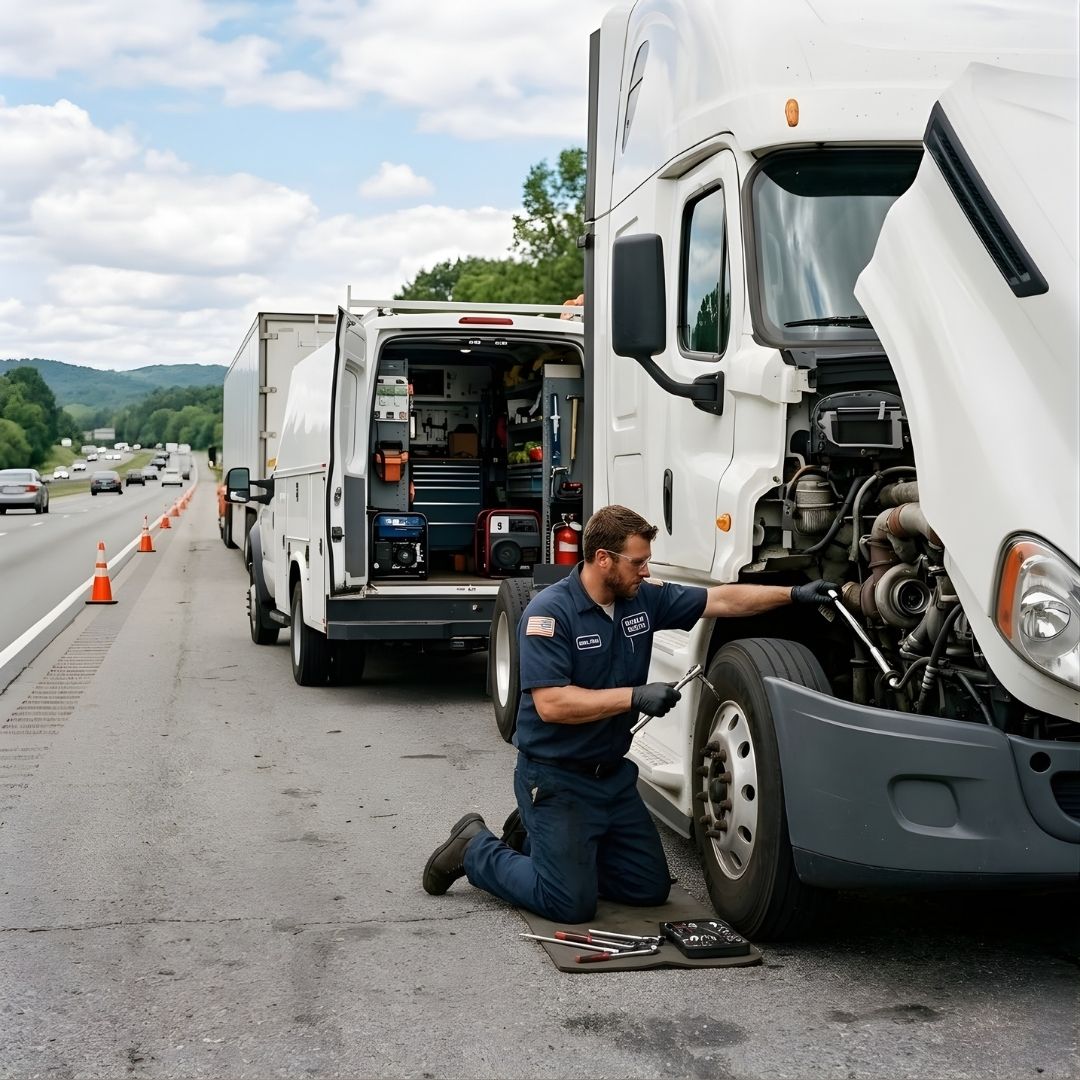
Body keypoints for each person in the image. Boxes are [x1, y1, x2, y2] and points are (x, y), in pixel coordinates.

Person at [422, 504, 835, 923]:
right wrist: (634, 697)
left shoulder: (641, 600)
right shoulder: (549, 614)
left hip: (612, 779)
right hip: (555, 777)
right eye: (637, 562)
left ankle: (542, 846)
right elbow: (552, 705)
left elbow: (722, 599)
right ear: (603, 559)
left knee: (648, 888)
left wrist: (792, 595)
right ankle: (475, 847)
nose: (645, 570)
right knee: (568, 904)